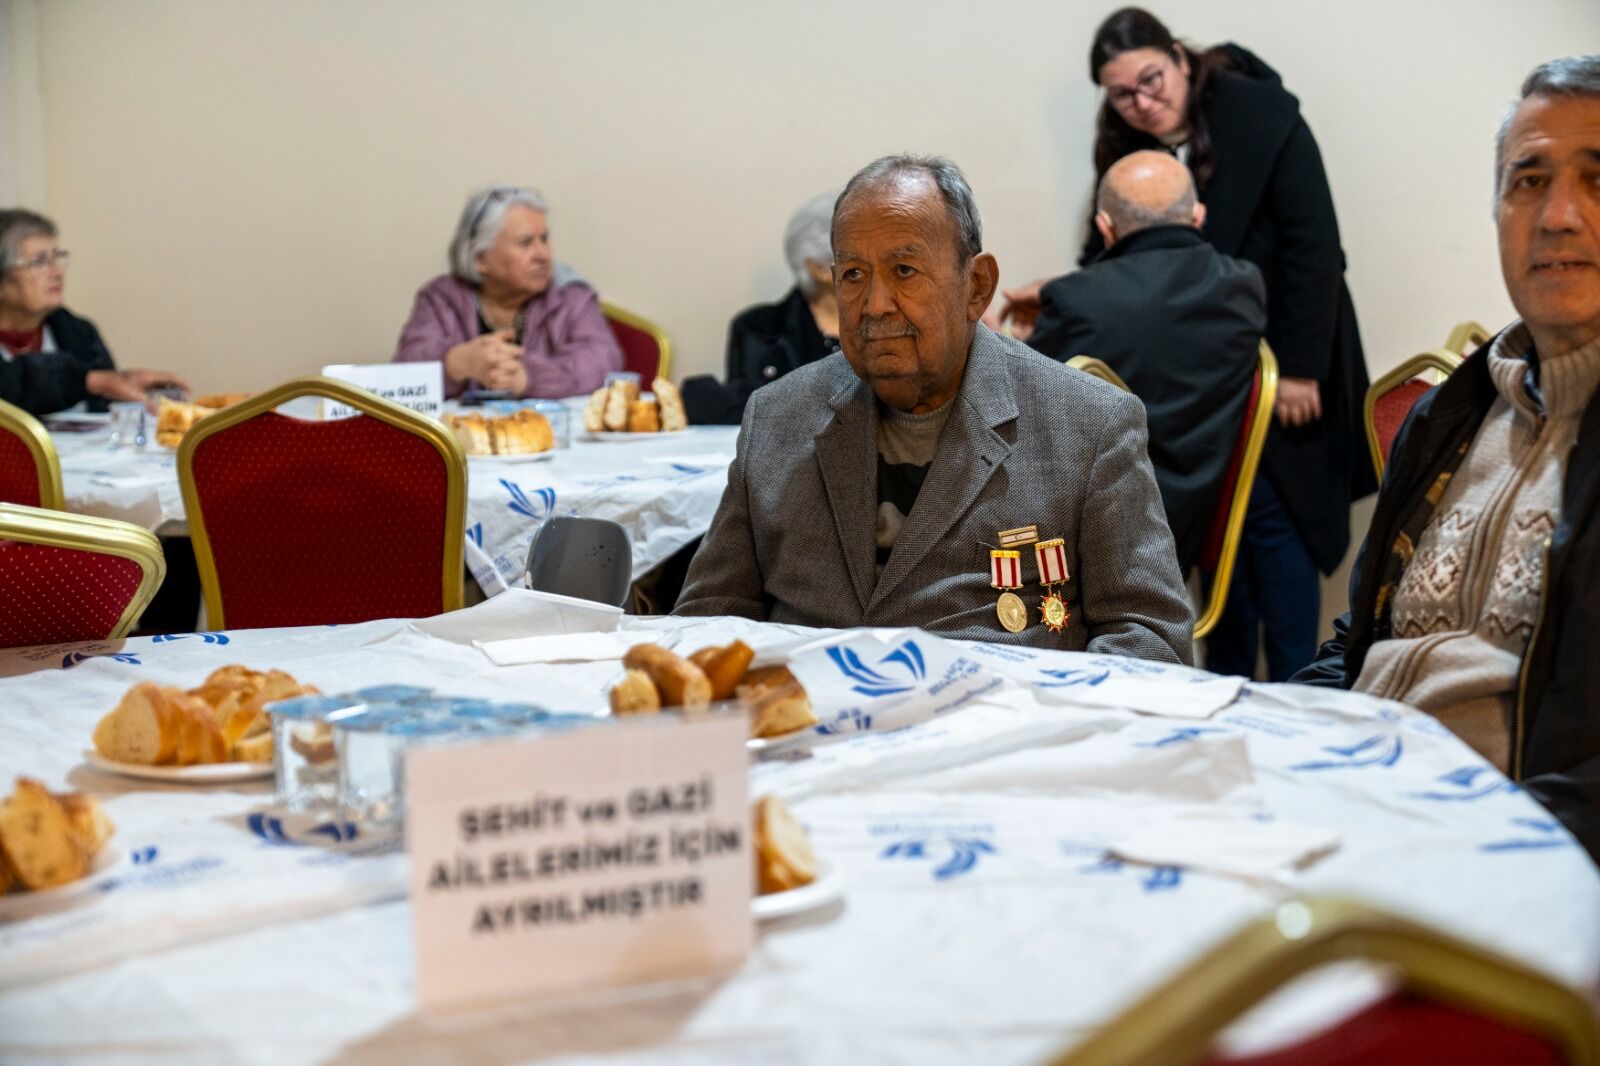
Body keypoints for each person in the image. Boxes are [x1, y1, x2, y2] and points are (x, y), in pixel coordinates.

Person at [675, 155, 1192, 661]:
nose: (875, 304)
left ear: (977, 287)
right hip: (813, 729)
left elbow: (1149, 635)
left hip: (1000, 730)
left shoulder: (1088, 423)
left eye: (904, 270)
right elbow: (709, 617)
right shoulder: (778, 416)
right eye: (853, 274)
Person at [996, 8, 1372, 680]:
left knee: (1274, 529)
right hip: (1210, 369)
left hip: (1284, 357)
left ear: (1178, 57)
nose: (1144, 102)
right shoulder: (1123, 139)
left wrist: (1301, 371)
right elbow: (1118, 260)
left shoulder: (1258, 114)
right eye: (1123, 94)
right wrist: (1059, 293)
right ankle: (1221, 683)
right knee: (1214, 539)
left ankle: (1298, 694)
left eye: (1152, 80)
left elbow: (1315, 247)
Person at [1294, 56, 1600, 865]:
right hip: (1343, 807)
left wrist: (1457, 849)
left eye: (1596, 180)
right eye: (1527, 182)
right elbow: (1362, 642)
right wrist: (1267, 728)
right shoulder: (1453, 413)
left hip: (1501, 862)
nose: (1559, 215)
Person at [1025, 151, 1265, 571]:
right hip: (1193, 536)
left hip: (1093, 545)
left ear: (1105, 227)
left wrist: (995, 335)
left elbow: (1020, 400)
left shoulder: (1078, 300)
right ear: (1198, 216)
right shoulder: (1243, 287)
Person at [393, 186, 622, 399]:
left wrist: (528, 377)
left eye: (544, 239)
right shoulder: (441, 298)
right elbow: (401, 375)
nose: (543, 255)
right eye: (525, 243)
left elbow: (602, 361)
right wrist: (455, 363)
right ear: (479, 258)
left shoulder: (570, 296)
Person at [0, 209, 187, 415]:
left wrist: (128, 390)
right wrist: (92, 381)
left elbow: (108, 412)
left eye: (57, 258)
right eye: (39, 262)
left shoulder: (79, 333)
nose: (57, 272)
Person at [682, 192, 843, 425]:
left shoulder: (890, 319)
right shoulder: (761, 330)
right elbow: (747, 412)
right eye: (854, 256)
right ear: (818, 268)